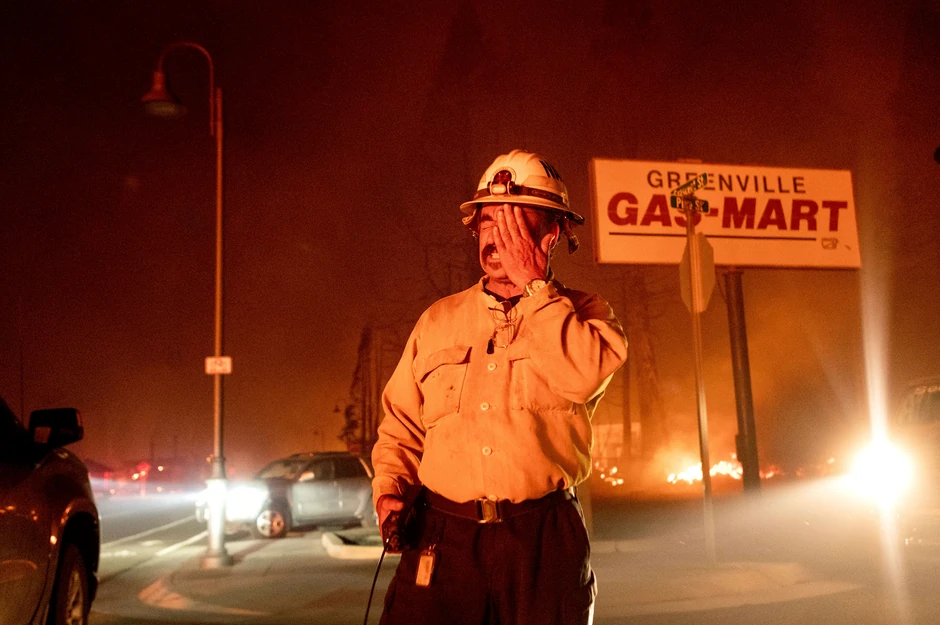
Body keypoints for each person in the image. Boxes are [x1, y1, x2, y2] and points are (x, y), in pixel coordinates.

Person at [371, 149, 628, 625]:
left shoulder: (589, 315)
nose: (496, 236)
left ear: (550, 234)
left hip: (542, 541)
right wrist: (390, 492)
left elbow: (581, 374)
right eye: (487, 221)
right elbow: (401, 427)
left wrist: (534, 288)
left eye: (513, 223)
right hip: (443, 538)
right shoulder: (438, 321)